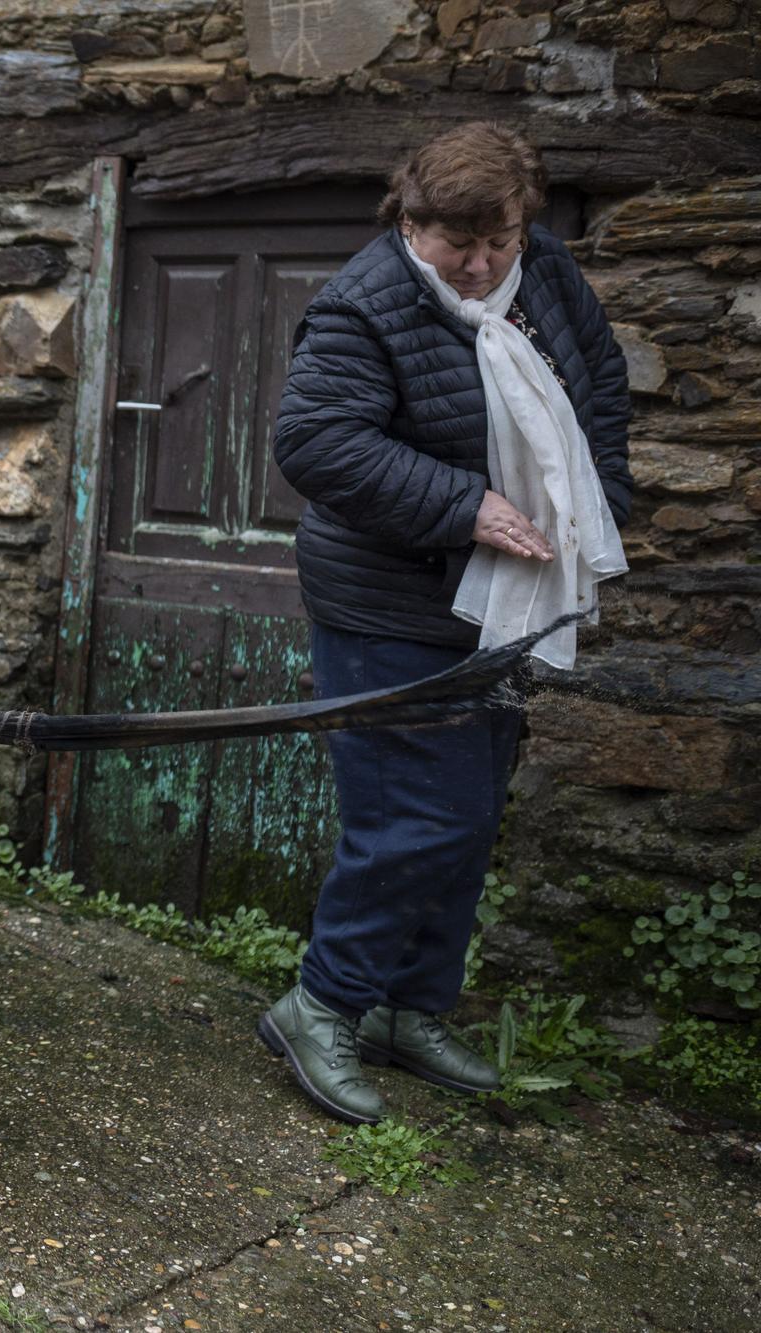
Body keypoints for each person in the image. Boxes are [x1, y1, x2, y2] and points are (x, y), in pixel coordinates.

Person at [264, 121, 633, 1123]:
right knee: (412, 820)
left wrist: (593, 505)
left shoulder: (541, 270)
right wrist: (466, 506)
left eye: (497, 242)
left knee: (467, 820)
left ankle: (405, 1008)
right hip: (390, 602)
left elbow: (598, 386)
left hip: (504, 600)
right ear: (408, 220)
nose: (479, 266)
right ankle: (320, 1006)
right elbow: (315, 441)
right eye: (455, 244)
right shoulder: (363, 304)